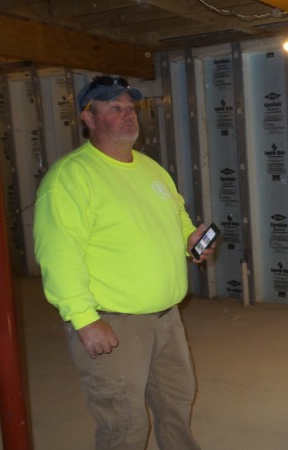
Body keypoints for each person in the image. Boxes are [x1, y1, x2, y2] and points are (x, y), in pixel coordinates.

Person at [33, 75, 214, 450]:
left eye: (131, 108)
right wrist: (84, 320)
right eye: (114, 108)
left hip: (167, 319)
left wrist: (190, 241)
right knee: (124, 424)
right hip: (113, 322)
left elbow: (177, 219)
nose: (128, 115)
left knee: (176, 405)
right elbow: (58, 254)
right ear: (88, 117)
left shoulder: (150, 168)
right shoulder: (71, 177)